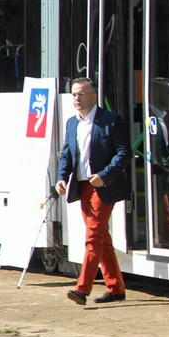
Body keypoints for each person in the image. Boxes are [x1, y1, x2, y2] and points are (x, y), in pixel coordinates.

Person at [55, 77, 132, 305]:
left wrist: (104, 176)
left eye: (81, 94)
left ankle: (82, 289)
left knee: (93, 237)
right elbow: (67, 154)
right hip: (83, 187)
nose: (76, 99)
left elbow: (123, 152)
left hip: (103, 187)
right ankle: (116, 288)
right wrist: (61, 177)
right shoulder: (71, 123)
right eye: (74, 95)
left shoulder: (110, 120)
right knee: (102, 239)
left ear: (94, 97)